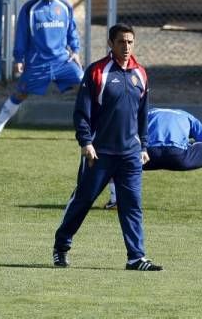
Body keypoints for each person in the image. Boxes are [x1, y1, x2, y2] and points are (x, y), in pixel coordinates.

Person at [52, 23, 162, 271]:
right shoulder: (97, 72)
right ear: (111, 44)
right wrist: (86, 142)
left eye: (130, 42)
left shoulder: (140, 74)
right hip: (99, 153)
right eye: (121, 42)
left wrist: (143, 145)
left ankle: (136, 258)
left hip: (130, 155)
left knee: (132, 204)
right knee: (83, 201)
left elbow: (143, 114)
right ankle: (61, 246)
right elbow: (82, 112)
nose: (126, 47)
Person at [0, 0, 83, 138]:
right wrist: (19, 59)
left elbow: (72, 30)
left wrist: (76, 51)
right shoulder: (30, 9)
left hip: (62, 61)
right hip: (38, 63)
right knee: (20, 93)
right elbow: (21, 35)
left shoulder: (65, 6)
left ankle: (94, 127)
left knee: (85, 84)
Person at [104, 108, 202, 214]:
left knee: (113, 151)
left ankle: (116, 200)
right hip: (178, 156)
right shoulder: (186, 115)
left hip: (147, 155)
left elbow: (124, 135)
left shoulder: (147, 113)